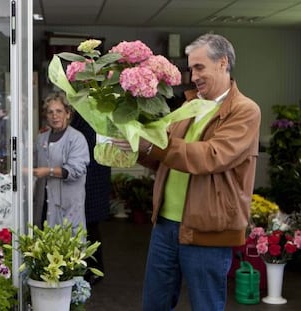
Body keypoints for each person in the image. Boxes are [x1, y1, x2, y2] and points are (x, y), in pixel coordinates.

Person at [112, 33, 261, 310]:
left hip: (208, 230)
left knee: (206, 305)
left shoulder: (245, 111)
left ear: (223, 63)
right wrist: (137, 149)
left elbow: (211, 157)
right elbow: (163, 158)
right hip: (165, 227)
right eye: (191, 68)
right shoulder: (190, 106)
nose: (193, 76)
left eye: (199, 67)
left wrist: (154, 145)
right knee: (154, 304)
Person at [33, 92, 90, 234]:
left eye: (59, 111)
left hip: (68, 209)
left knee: (67, 250)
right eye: (50, 112)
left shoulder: (77, 138)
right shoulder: (41, 139)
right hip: (44, 206)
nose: (54, 116)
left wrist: (47, 171)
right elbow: (33, 165)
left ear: (68, 114)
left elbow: (75, 170)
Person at [71, 112, 111, 284]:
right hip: (97, 170)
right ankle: (92, 269)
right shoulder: (98, 113)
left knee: (89, 226)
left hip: (91, 174)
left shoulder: (84, 114)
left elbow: (74, 135)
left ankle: (92, 270)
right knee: (91, 225)